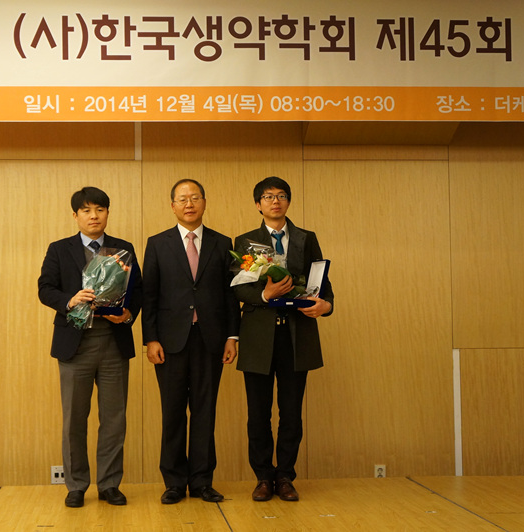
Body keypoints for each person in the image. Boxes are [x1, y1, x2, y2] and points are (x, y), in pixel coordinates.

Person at [37, 186, 142, 508]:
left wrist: (127, 314)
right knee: (74, 420)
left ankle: (109, 484)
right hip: (75, 345)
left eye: (99, 209)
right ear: (75, 215)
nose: (93, 216)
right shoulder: (59, 249)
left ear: (107, 213)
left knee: (114, 419)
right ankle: (76, 485)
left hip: (113, 343)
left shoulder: (123, 248)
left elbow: (138, 291)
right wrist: (69, 300)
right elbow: (45, 288)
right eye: (86, 210)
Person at [233, 176, 334, 502]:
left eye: (281, 196)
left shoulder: (306, 238)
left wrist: (325, 306)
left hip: (296, 336)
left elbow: (323, 284)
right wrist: (265, 294)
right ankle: (263, 477)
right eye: (268, 197)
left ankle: (286, 476)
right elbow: (237, 288)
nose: (275, 201)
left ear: (288, 201)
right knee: (258, 414)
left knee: (291, 413)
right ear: (258, 204)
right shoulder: (245, 242)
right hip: (258, 338)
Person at [142, 179, 241, 505]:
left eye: (195, 197)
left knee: (204, 411)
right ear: (172, 206)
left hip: (210, 339)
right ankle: (173, 482)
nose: (189, 204)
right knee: (172, 412)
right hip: (169, 342)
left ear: (204, 203)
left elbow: (230, 294)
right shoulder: (157, 244)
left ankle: (201, 481)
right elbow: (149, 295)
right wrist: (150, 339)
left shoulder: (222, 243)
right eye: (182, 199)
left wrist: (232, 336)